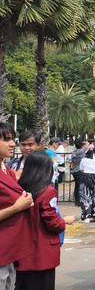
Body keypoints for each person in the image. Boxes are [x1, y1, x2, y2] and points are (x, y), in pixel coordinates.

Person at [15, 150, 75, 290]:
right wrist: (64, 221)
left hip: (22, 251)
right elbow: (53, 222)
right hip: (42, 252)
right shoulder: (47, 192)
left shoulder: (19, 188)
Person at [0, 123, 34, 289]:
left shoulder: (7, 170)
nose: (12, 144)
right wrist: (17, 207)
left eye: (13, 139)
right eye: (6, 140)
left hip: (11, 248)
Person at [70, 139, 88, 206]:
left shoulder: (74, 152)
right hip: (80, 170)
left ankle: (77, 200)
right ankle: (80, 200)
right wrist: (84, 142)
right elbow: (87, 145)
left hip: (74, 171)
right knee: (81, 186)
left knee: (77, 186)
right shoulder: (81, 151)